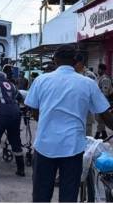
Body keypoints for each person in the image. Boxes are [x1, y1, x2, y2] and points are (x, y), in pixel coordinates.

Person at [24, 44, 113, 202]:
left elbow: (35, 112)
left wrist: (49, 120)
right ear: (75, 61)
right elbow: (105, 115)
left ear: (55, 60)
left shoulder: (41, 80)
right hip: (72, 149)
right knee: (68, 197)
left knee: (40, 196)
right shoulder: (88, 83)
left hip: (44, 146)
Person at [74, 53, 97, 136]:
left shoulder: (89, 75)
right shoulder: (73, 74)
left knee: (86, 137)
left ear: (80, 63)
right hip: (74, 112)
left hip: (86, 111)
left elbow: (93, 94)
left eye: (74, 63)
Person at [95, 63, 112, 139]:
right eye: (99, 69)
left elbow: (105, 93)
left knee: (100, 118)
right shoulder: (100, 78)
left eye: (100, 69)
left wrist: (101, 103)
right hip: (100, 101)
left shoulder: (105, 79)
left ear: (103, 70)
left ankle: (97, 135)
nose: (98, 70)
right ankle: (104, 133)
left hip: (104, 102)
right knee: (99, 118)